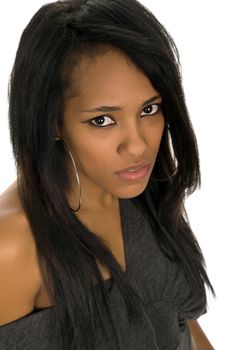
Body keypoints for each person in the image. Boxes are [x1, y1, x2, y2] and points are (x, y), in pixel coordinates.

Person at [0, 0, 215, 349]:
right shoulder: (12, 246)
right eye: (102, 120)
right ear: (52, 121)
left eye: (149, 109)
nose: (138, 146)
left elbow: (181, 326)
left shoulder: (144, 190)